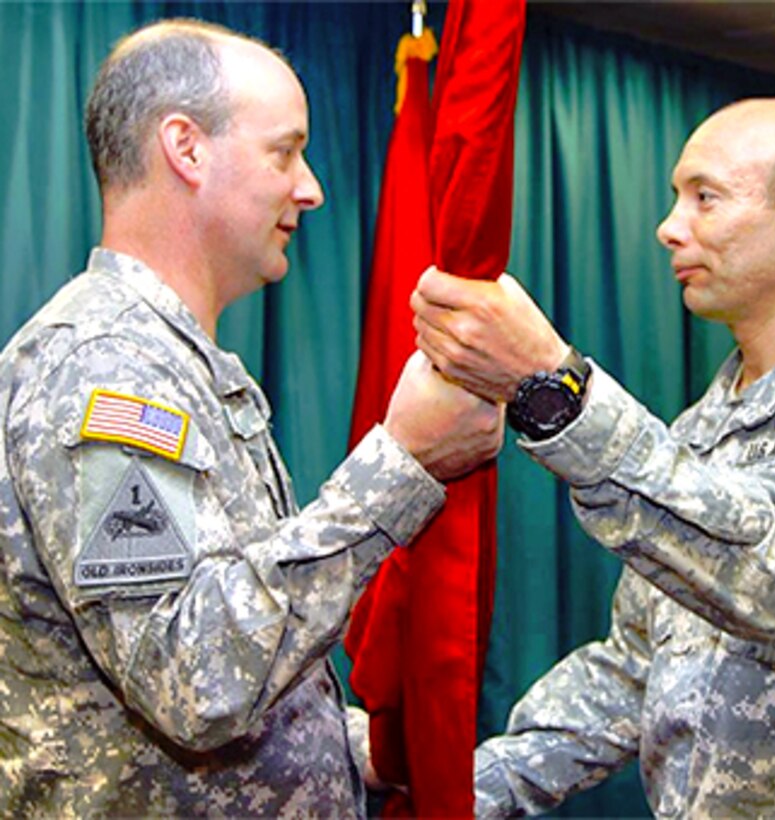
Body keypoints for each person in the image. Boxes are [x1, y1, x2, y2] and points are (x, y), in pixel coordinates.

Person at [0, 18, 503, 817]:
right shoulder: (105, 366)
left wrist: (341, 745)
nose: (311, 187)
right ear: (186, 149)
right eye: (285, 151)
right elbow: (190, 676)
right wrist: (401, 463)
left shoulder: (180, 362)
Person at [411, 97, 775, 815]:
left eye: (705, 198)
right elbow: (637, 668)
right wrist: (458, 795)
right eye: (673, 199)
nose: (668, 228)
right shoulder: (699, 428)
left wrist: (558, 388)